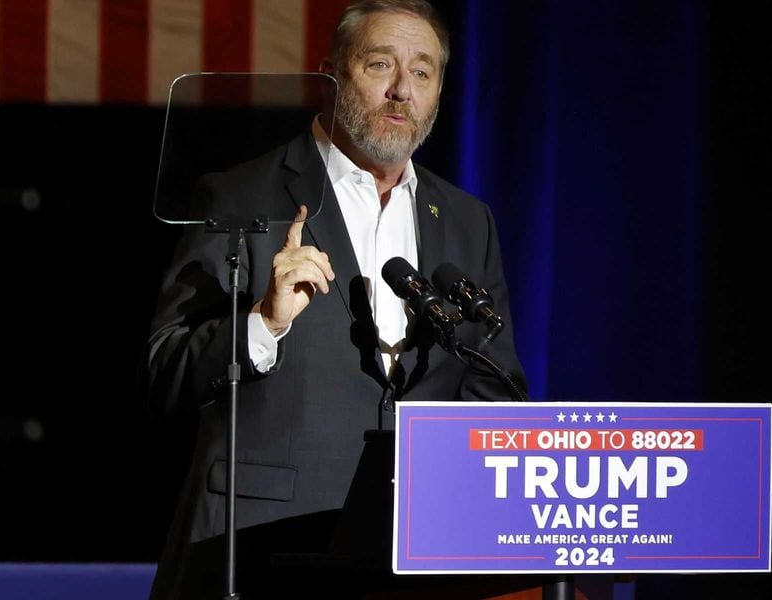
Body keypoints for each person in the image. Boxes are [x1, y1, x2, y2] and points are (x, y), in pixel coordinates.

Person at [142, 1, 526, 598]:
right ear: (331, 74)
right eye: (380, 65)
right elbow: (165, 373)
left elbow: (491, 394)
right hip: (261, 549)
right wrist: (262, 323)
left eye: (422, 73)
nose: (402, 90)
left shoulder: (467, 222)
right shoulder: (241, 194)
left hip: (411, 555)